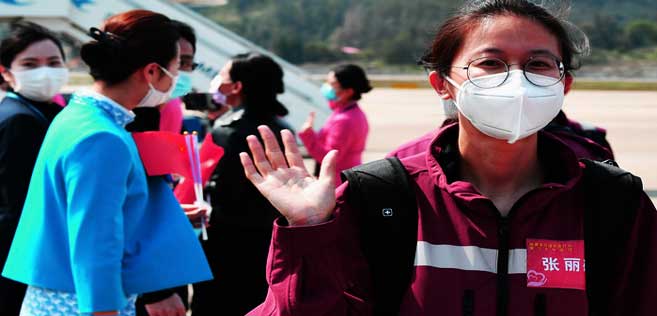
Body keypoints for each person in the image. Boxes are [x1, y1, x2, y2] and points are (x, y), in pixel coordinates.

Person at [238, 1, 657, 315]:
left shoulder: (612, 200)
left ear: (563, 86)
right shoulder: (379, 196)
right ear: (442, 84)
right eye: (490, 62)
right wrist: (311, 232)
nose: (516, 78)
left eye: (538, 64)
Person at [2, 10, 211, 316]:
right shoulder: (103, 137)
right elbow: (94, 241)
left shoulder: (77, 116)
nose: (178, 78)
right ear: (152, 72)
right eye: (177, 67)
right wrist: (103, 310)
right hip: (78, 303)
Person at [190, 52, 290, 316]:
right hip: (270, 238)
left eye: (222, 76)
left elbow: (219, 188)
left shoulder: (229, 128)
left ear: (237, 86)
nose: (217, 82)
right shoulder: (280, 126)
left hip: (227, 240)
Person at [0, 21, 68, 316]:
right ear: (6, 71)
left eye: (54, 62)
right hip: (22, 258)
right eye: (30, 64)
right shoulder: (19, 120)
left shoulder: (48, 111)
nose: (45, 71)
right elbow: (15, 204)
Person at [299, 64, 371, 185]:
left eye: (332, 84)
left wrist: (308, 135)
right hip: (346, 177)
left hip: (338, 182)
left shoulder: (344, 120)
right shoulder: (349, 112)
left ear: (348, 91)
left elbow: (329, 158)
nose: (327, 87)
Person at [159, 20, 197, 134]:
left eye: (185, 63)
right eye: (174, 61)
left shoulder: (173, 103)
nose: (177, 71)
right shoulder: (127, 110)